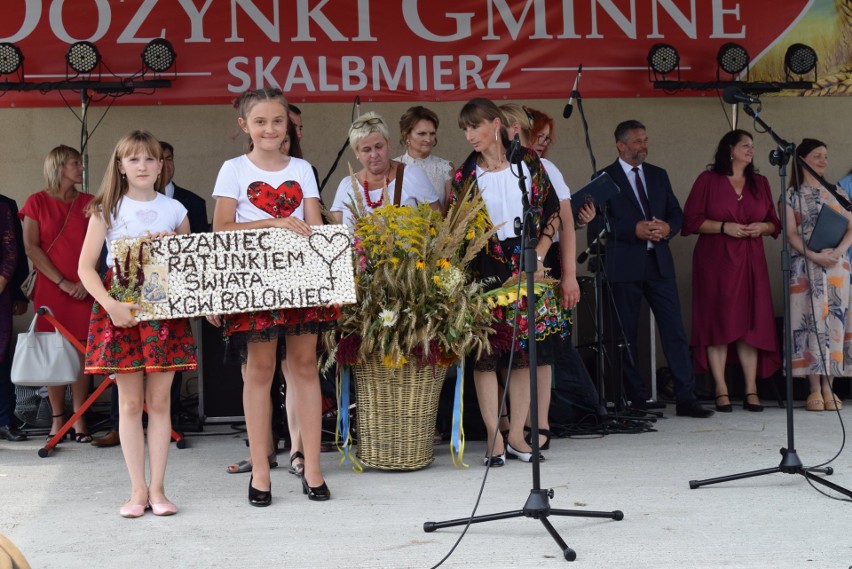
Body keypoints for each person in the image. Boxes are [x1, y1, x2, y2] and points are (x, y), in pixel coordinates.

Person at [210, 87, 338, 506]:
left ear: (288, 125)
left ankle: (313, 467)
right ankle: (261, 471)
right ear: (244, 126)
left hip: (300, 281)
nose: (270, 129)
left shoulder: (302, 168)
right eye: (260, 121)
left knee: (304, 367)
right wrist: (277, 223)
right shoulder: (233, 168)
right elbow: (222, 229)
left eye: (277, 121)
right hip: (254, 284)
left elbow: (314, 226)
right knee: (260, 373)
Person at [78, 130, 197, 518]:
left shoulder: (176, 211)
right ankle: (136, 491)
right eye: (134, 159)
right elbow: (85, 268)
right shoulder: (105, 210)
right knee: (130, 403)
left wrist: (174, 248)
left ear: (161, 165)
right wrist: (110, 305)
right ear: (121, 166)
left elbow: (189, 270)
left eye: (150, 159)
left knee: (160, 402)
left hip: (162, 306)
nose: (143, 166)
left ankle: (159, 489)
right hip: (122, 307)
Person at [451, 97, 568, 466]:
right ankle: (493, 437)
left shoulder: (529, 164)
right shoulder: (464, 175)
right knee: (486, 356)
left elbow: (553, 213)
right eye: (466, 129)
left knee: (524, 355)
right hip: (484, 268)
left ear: (497, 123)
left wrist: (539, 254)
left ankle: (518, 434)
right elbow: (455, 232)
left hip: (527, 264)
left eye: (476, 126)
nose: (470, 135)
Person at [591, 120, 713, 418]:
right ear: (621, 145)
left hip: (659, 263)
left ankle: (687, 397)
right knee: (626, 334)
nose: (643, 146)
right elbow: (596, 224)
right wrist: (634, 229)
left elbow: (677, 214)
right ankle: (636, 398)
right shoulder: (604, 177)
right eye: (637, 141)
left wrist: (668, 227)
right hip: (625, 265)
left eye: (645, 140)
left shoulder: (659, 175)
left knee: (674, 330)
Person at [500, 103, 585, 448]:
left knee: (541, 348)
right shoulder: (481, 167)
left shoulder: (545, 167)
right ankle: (508, 422)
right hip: (498, 268)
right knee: (503, 349)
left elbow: (563, 219)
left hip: (537, 267)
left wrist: (570, 275)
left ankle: (541, 421)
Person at [681, 130, 782, 412]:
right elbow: (690, 221)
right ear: (730, 150)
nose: (751, 150)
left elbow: (775, 223)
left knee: (750, 323)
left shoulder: (760, 182)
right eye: (745, 145)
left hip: (751, 259)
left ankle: (750, 389)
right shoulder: (708, 180)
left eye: (753, 146)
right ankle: (721, 389)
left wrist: (762, 227)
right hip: (716, 261)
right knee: (718, 321)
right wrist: (725, 227)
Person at [20, 145, 95, 441]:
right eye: (75, 163)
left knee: (81, 352)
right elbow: (31, 247)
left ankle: (79, 419)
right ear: (59, 166)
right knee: (54, 352)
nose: (81, 168)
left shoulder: (90, 202)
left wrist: (86, 281)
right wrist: (63, 283)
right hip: (52, 288)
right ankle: (56, 419)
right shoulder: (36, 201)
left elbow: (100, 246)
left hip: (85, 286)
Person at [785, 139, 850, 412]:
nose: (824, 161)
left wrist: (837, 252)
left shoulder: (837, 192)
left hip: (836, 266)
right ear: (801, 159)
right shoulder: (791, 194)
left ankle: (829, 386)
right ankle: (813, 388)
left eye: (826, 155)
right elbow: (790, 234)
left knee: (835, 322)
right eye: (817, 156)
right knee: (809, 323)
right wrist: (814, 255)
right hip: (806, 265)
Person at [330, 111, 441, 226]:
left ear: (388, 143)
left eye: (379, 146)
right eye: (366, 149)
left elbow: (437, 224)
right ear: (356, 153)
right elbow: (335, 234)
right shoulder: (347, 185)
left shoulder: (413, 175)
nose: (374, 154)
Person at [394, 105, 455, 210]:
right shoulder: (393, 166)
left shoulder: (445, 167)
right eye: (421, 134)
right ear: (406, 136)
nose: (428, 139)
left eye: (432, 134)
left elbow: (450, 212)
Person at [0, 200, 23, 441]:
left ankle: (4, 419)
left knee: (1, 356)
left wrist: (3, 281)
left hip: (0, 291)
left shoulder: (2, 206)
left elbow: (11, 250)